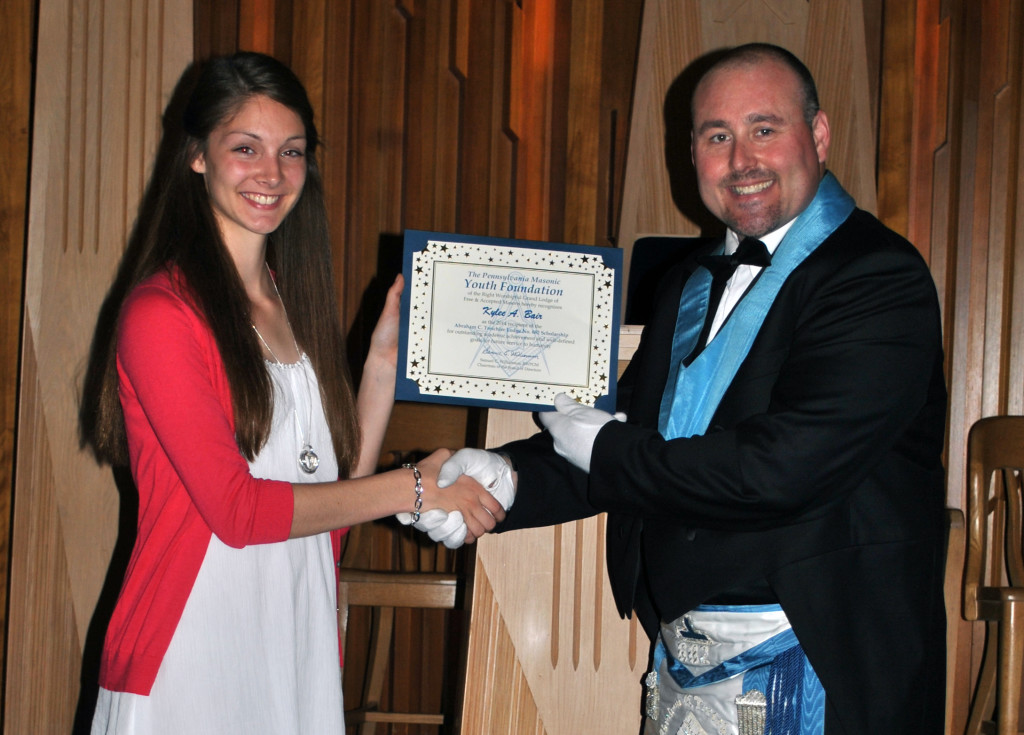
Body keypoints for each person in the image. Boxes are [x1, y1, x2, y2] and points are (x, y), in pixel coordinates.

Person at [419, 43, 948, 734]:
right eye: (717, 136)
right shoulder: (689, 283)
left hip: (821, 658)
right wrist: (507, 477)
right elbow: (634, 438)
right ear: (691, 154)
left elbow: (780, 468)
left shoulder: (878, 277)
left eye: (765, 128)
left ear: (818, 135)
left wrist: (607, 448)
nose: (742, 159)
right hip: (685, 660)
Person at [81, 51, 504, 734]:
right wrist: (415, 487)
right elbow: (238, 511)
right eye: (245, 148)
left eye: (292, 152)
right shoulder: (160, 313)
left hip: (293, 637)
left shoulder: (284, 300)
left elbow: (328, 500)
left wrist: (382, 363)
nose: (272, 174)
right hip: (195, 651)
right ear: (197, 156)